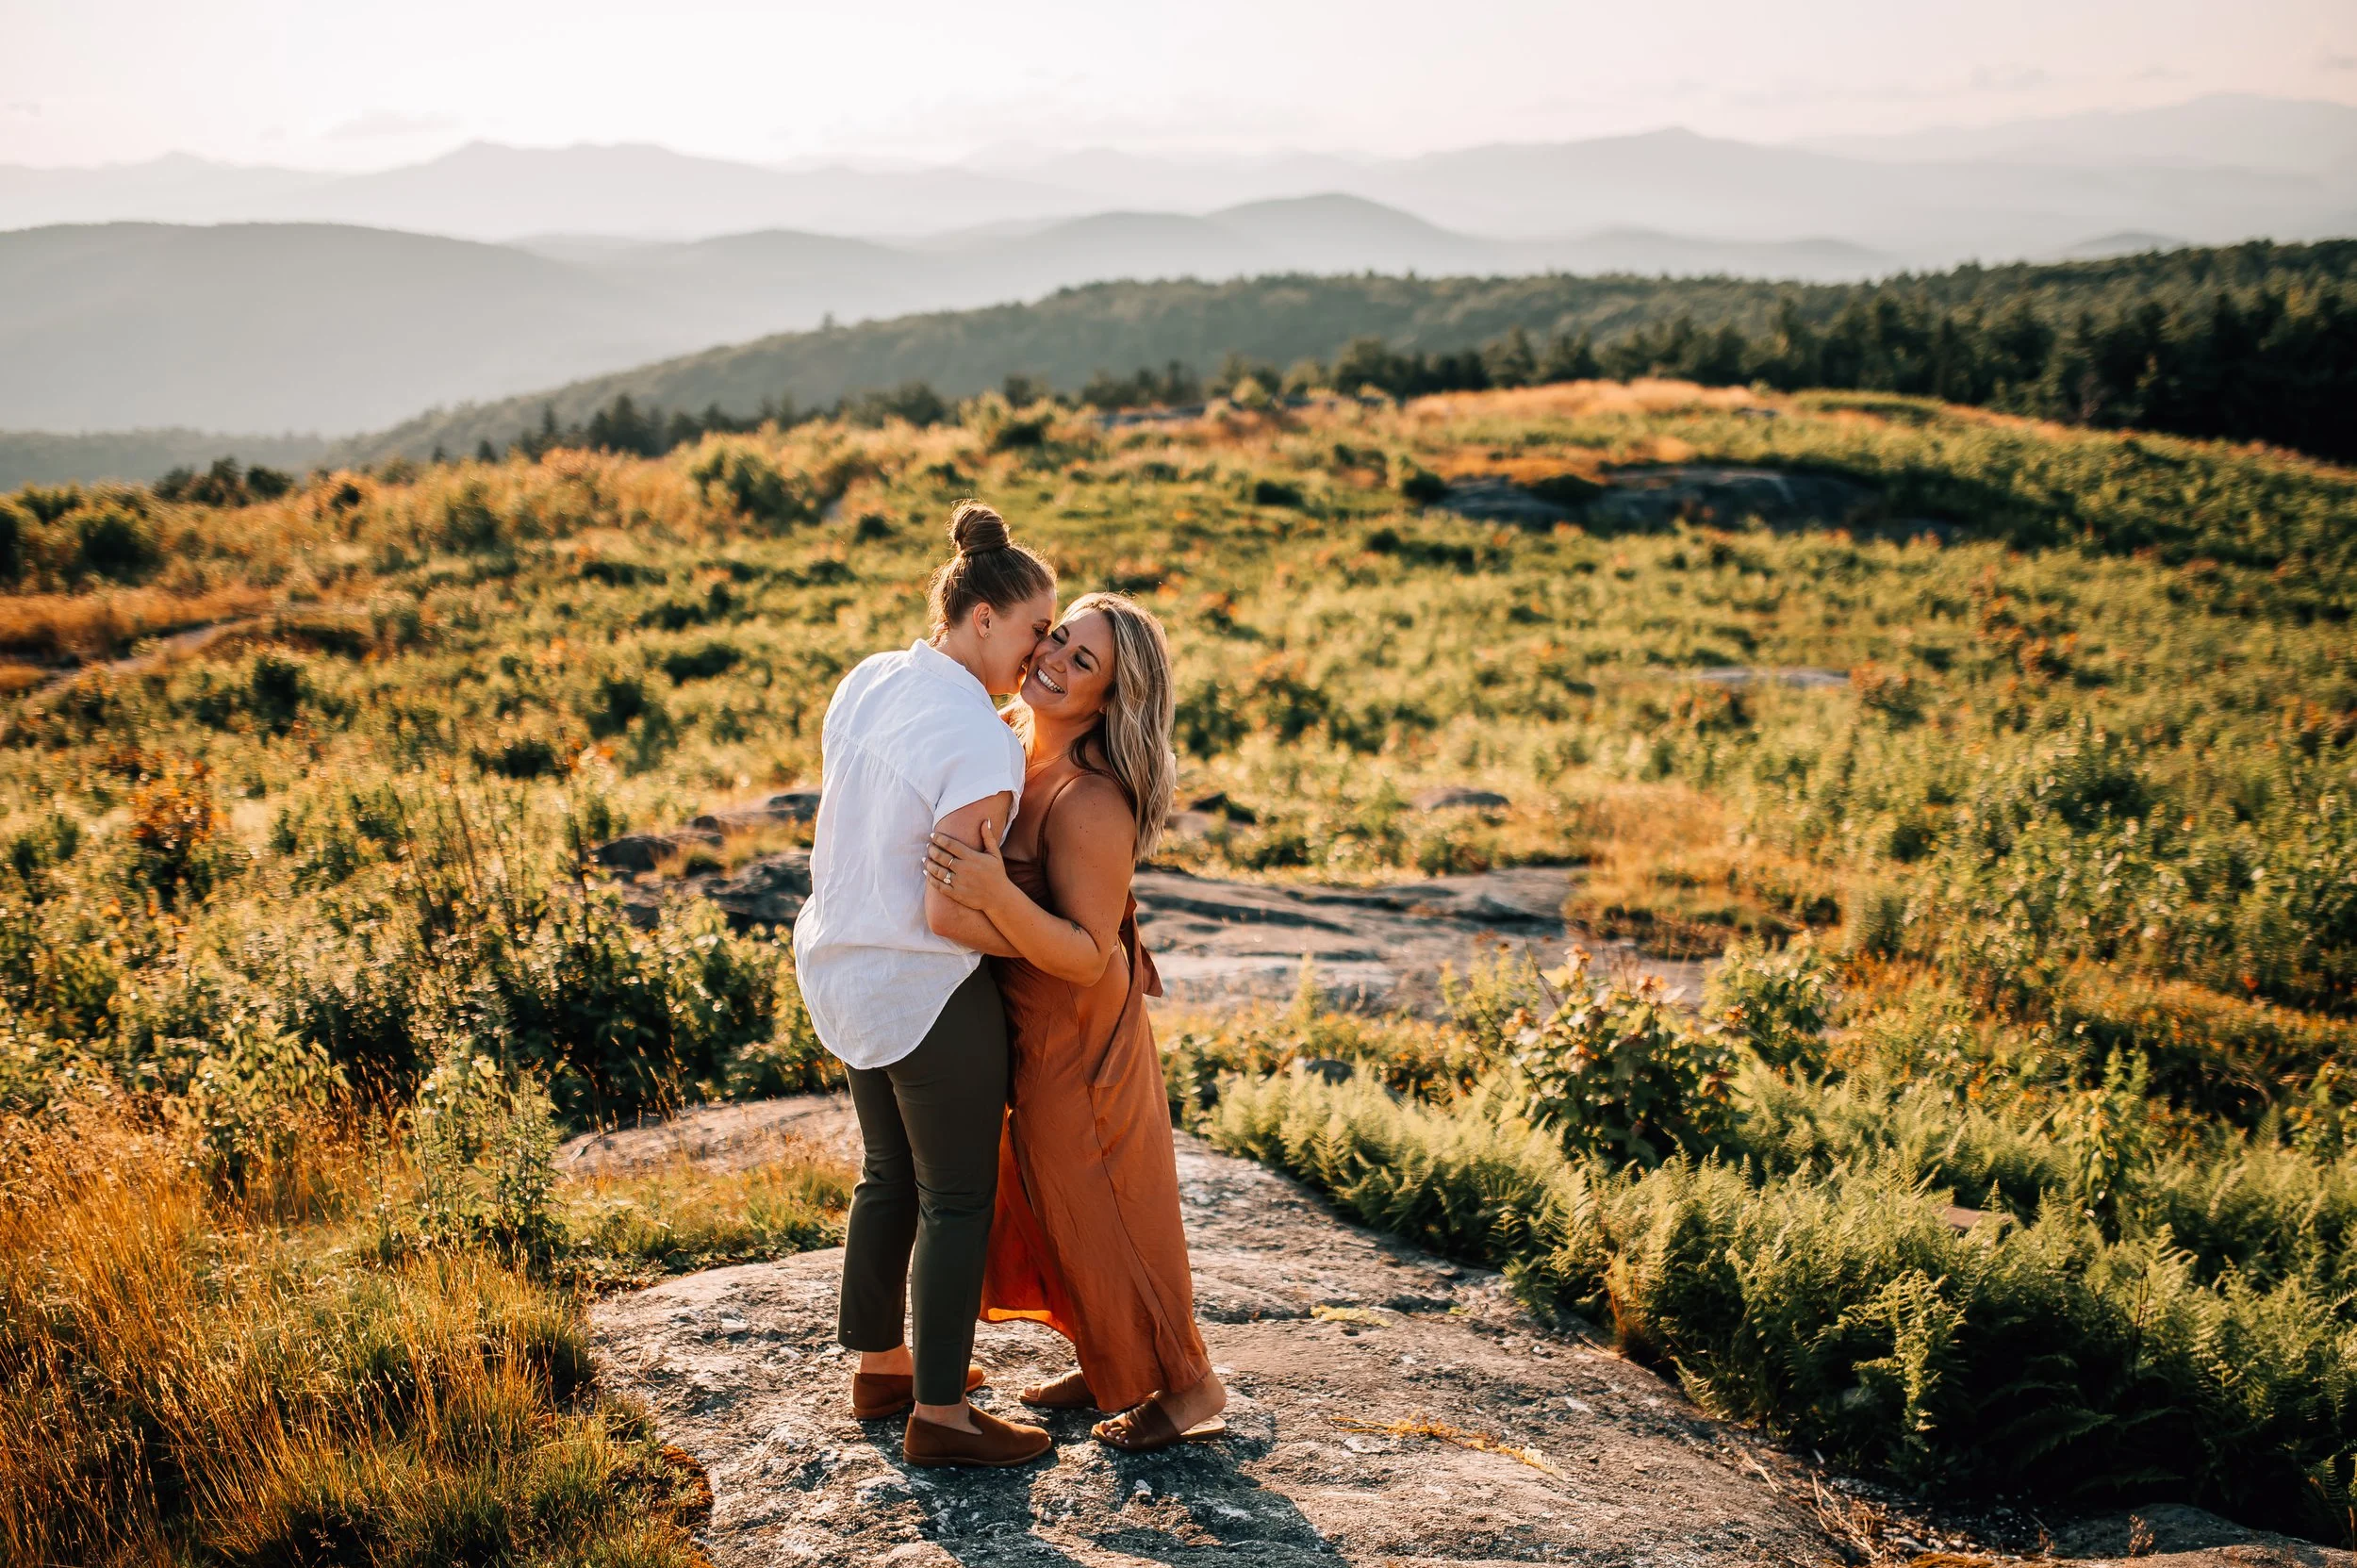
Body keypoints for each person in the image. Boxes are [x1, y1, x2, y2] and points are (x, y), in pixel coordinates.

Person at [923, 592, 1229, 1454]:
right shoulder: (1017, 749)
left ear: (1110, 699)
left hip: (1079, 1037)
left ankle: (1189, 1381)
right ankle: (1110, 1358)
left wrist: (984, 894)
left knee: (1106, 1204)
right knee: (1047, 1198)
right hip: (1029, 1024)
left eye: (1082, 660)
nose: (1054, 658)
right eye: (1058, 637)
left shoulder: (1091, 800)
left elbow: (1090, 951)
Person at [790, 500, 1058, 1469]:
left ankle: (882, 1365)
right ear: (982, 617)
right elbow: (953, 913)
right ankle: (941, 1417)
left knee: (886, 1174)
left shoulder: (869, 680)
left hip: (843, 967)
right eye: (1034, 629)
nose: (1040, 649)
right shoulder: (982, 740)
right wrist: (1048, 941)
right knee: (956, 1197)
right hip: (928, 986)